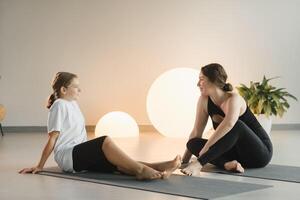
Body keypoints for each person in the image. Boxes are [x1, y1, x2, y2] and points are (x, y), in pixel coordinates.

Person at [19, 72, 181, 180]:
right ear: (63, 89)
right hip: (68, 157)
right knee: (104, 141)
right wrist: (39, 166)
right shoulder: (59, 105)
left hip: (79, 153)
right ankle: (140, 171)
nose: (80, 90)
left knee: (119, 163)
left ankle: (161, 167)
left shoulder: (73, 104)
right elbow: (52, 139)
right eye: (76, 87)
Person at [181, 63, 273, 176]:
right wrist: (184, 161)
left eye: (201, 79)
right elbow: (196, 132)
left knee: (237, 125)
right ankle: (227, 164)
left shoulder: (234, 99)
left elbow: (229, 124)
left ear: (213, 80)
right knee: (192, 143)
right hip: (234, 153)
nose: (197, 84)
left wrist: (203, 153)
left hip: (259, 154)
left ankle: (198, 165)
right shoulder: (204, 101)